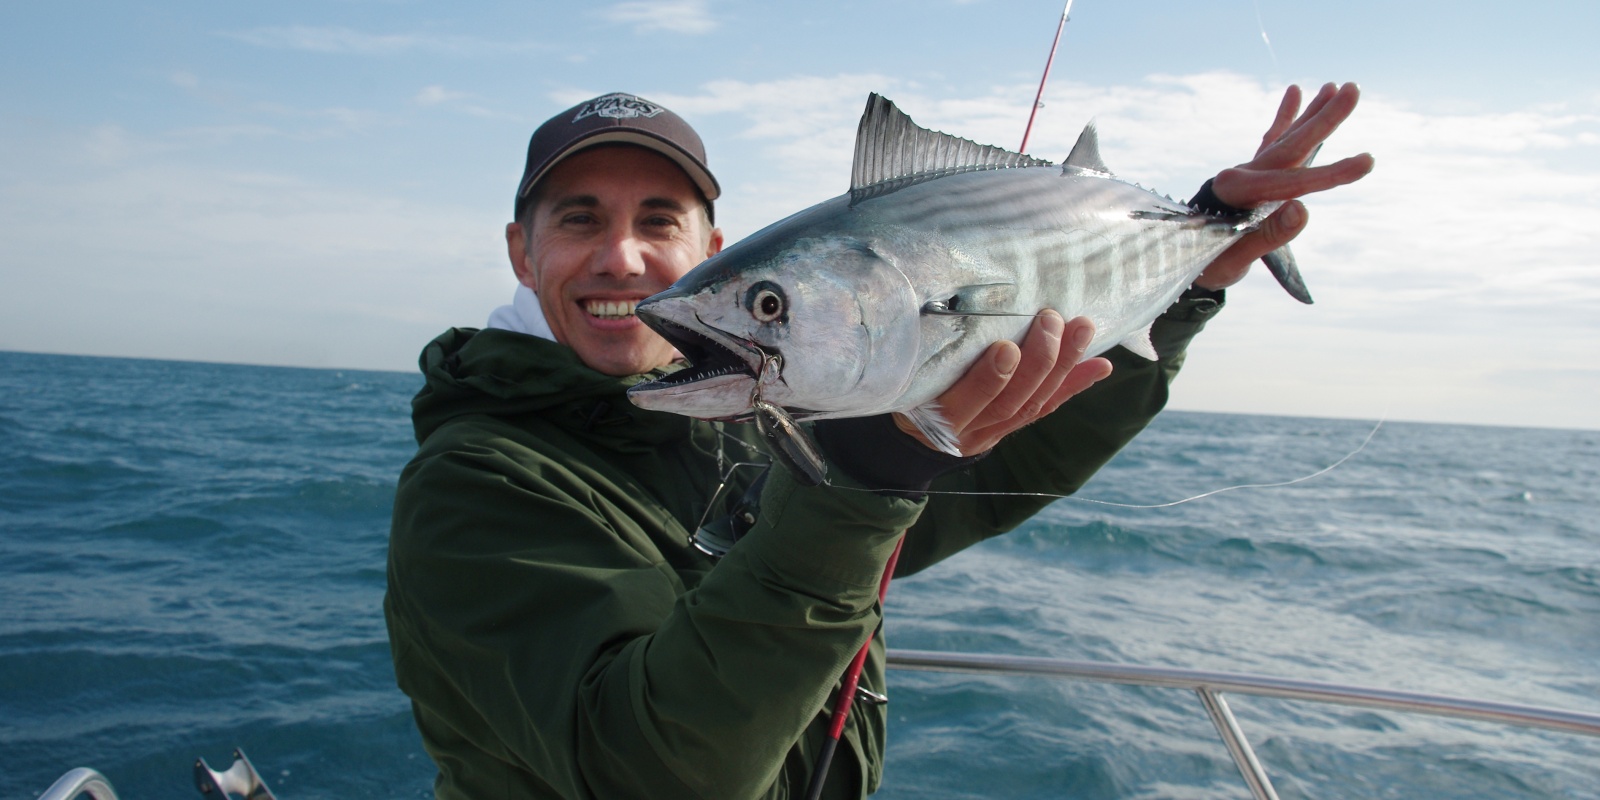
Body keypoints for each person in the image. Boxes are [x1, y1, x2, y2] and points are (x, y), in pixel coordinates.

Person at [385, 88, 1372, 799]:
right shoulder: (475, 481)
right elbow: (649, 773)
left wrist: (1194, 273)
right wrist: (855, 484)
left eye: (659, 220)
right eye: (577, 220)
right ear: (522, 249)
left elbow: (1009, 464)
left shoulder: (762, 417)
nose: (623, 259)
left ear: (706, 241)